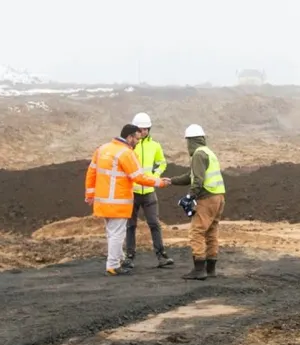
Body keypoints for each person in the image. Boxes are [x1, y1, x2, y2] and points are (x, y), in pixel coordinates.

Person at [86, 124, 171, 276]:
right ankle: (113, 265)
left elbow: (91, 172)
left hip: (103, 202)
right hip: (118, 203)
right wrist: (160, 182)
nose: (138, 142)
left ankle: (119, 259)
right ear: (130, 137)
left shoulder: (103, 149)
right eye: (137, 139)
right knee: (117, 234)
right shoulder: (126, 153)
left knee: (112, 232)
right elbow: (139, 177)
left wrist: (90, 194)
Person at [164, 123, 226, 281]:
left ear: (190, 141)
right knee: (211, 232)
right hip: (218, 197)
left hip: (207, 198)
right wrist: (171, 180)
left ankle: (199, 270)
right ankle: (211, 269)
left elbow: (198, 180)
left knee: (196, 232)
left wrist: (190, 196)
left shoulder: (198, 154)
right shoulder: (208, 152)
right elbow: (191, 176)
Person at [124, 112, 174, 268]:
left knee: (154, 223)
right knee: (130, 225)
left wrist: (155, 176)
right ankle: (129, 256)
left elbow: (161, 162)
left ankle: (161, 256)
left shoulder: (155, 146)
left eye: (146, 129)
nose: (144, 132)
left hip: (149, 191)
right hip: (132, 192)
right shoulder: (130, 146)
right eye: (141, 129)